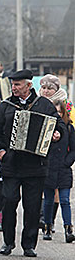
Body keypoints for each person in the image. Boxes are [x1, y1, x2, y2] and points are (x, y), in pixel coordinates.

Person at [0, 69, 64, 257]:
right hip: (11, 164)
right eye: (13, 84)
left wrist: (57, 134)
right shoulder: (6, 106)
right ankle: (8, 242)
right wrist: (0, 151)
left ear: (29, 85)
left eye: (18, 84)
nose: (14, 88)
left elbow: (60, 125)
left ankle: (29, 244)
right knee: (9, 201)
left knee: (32, 206)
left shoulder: (44, 105)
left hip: (35, 165)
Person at [42, 99, 75, 243]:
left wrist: (67, 162)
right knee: (48, 201)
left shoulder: (69, 128)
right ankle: (47, 227)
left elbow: (73, 149)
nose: (58, 115)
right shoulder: (46, 128)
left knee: (65, 200)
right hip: (48, 168)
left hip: (63, 169)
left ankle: (68, 229)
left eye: (60, 112)